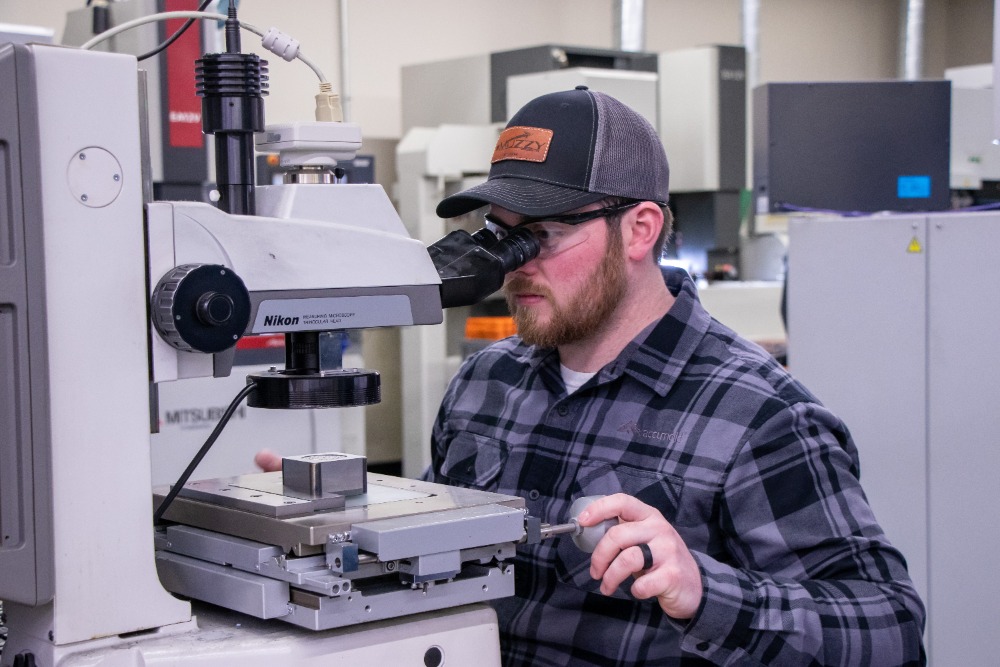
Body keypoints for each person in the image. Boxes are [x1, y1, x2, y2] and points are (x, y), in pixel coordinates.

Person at [418, 87, 925, 666]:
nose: (515, 264)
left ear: (640, 229)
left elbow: (893, 631)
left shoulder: (758, 415)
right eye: (501, 235)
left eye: (542, 236)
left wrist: (706, 593)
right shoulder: (486, 382)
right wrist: (343, 507)